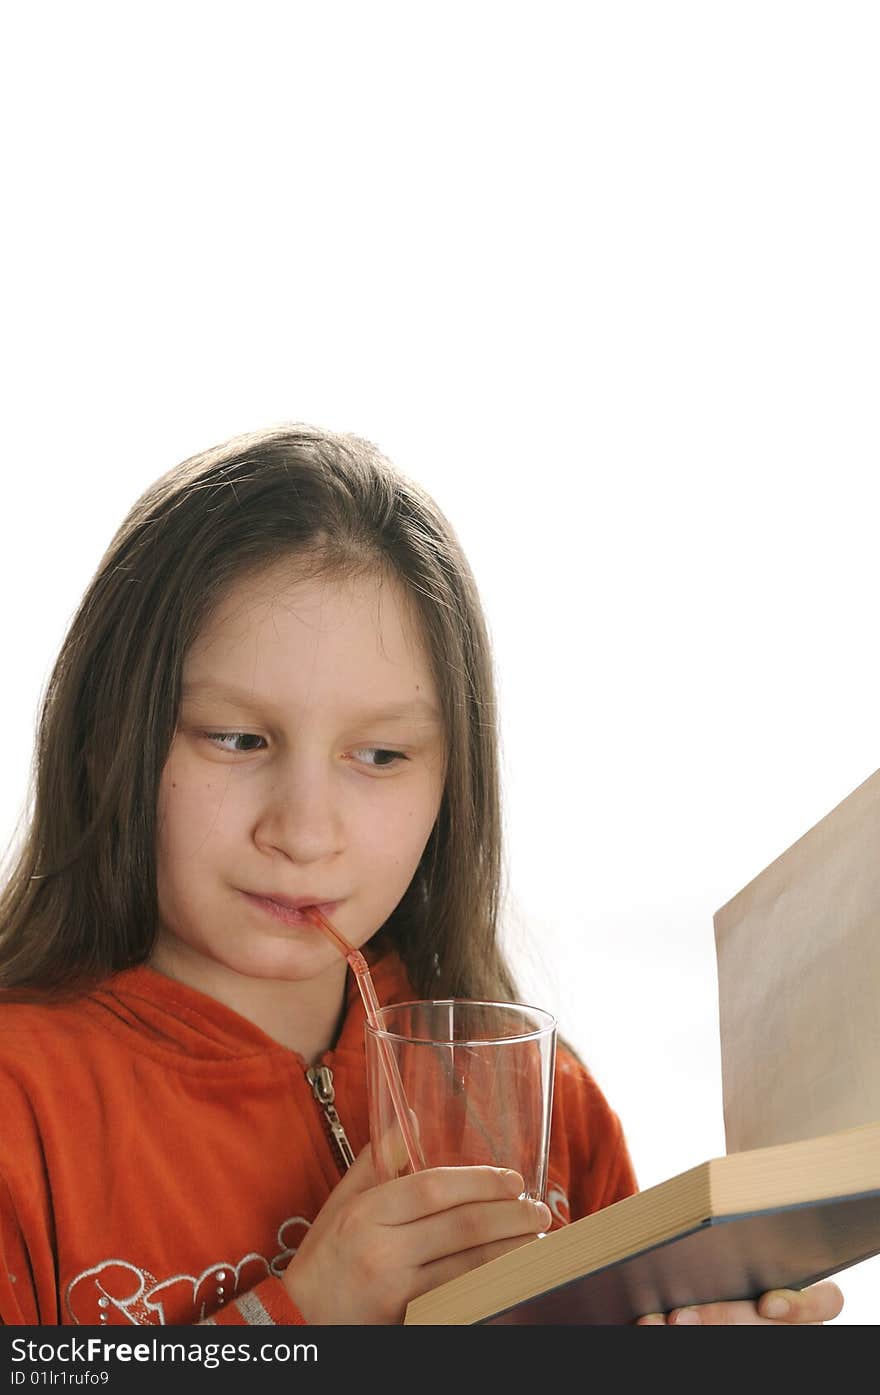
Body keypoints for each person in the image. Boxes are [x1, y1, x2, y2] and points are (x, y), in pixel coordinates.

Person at [0, 424, 843, 1328]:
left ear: (453, 781)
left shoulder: (547, 1105)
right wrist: (303, 1318)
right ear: (107, 739)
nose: (304, 830)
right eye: (238, 738)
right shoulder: (24, 1100)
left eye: (380, 753)